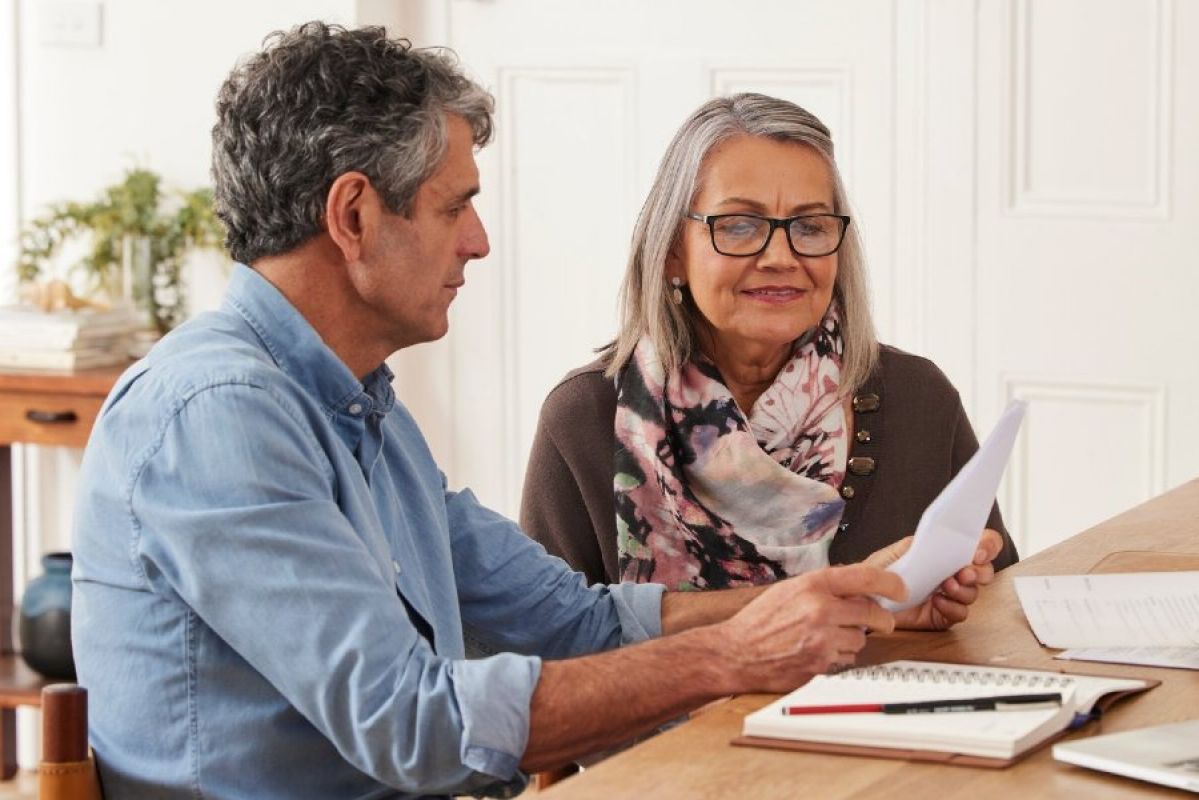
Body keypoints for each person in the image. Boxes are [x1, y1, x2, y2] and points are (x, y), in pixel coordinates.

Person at [70, 26, 1001, 800]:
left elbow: (572, 617)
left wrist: (830, 604)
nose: (476, 243)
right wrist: (731, 659)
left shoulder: (360, 408)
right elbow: (414, 726)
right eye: (454, 207)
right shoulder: (219, 417)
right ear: (353, 216)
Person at [521, 93, 1018, 591]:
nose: (781, 256)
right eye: (738, 225)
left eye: (810, 226)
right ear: (673, 253)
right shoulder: (583, 418)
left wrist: (956, 605)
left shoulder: (920, 398)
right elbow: (542, 651)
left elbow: (993, 616)